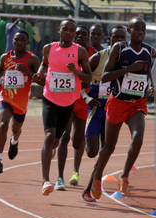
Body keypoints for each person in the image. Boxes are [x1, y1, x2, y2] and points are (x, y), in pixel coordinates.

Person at [91, 17, 155, 200]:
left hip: (136, 104)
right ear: (129, 30)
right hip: (118, 103)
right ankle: (97, 177)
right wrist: (128, 69)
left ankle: (125, 175)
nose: (140, 32)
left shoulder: (150, 51)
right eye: (136, 28)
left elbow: (147, 70)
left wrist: (151, 84)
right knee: (109, 147)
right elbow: (105, 77)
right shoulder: (119, 48)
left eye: (143, 29)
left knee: (138, 139)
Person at [32, 19, 92, 196]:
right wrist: (40, 73)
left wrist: (76, 71)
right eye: (65, 29)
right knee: (49, 136)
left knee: (56, 140)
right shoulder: (49, 48)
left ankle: (51, 147)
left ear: (74, 34)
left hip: (69, 101)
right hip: (50, 97)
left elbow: (88, 77)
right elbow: (44, 63)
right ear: (59, 30)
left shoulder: (79, 51)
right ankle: (45, 180)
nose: (68, 32)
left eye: (71, 30)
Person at [81, 25, 127, 202]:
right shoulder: (98, 57)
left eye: (122, 37)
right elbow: (80, 79)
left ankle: (88, 188)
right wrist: (85, 96)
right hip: (95, 107)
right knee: (92, 151)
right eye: (115, 37)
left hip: (113, 110)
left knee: (104, 150)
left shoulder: (129, 58)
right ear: (110, 39)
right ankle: (81, 136)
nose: (119, 40)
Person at [0, 30, 41, 175]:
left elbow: (42, 81)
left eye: (22, 40)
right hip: (5, 96)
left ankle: (14, 141)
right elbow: (0, 68)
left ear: (27, 42)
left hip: (21, 101)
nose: (19, 43)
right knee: (2, 125)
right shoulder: (5, 57)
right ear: (12, 41)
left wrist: (26, 72)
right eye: (16, 40)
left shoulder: (32, 59)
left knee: (16, 129)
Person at [55, 25, 97, 191]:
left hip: (83, 102)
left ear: (88, 38)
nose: (79, 36)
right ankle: (60, 177)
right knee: (65, 136)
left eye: (83, 35)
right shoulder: (67, 51)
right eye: (77, 34)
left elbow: (91, 78)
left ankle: (75, 171)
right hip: (67, 98)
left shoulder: (93, 54)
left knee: (77, 141)